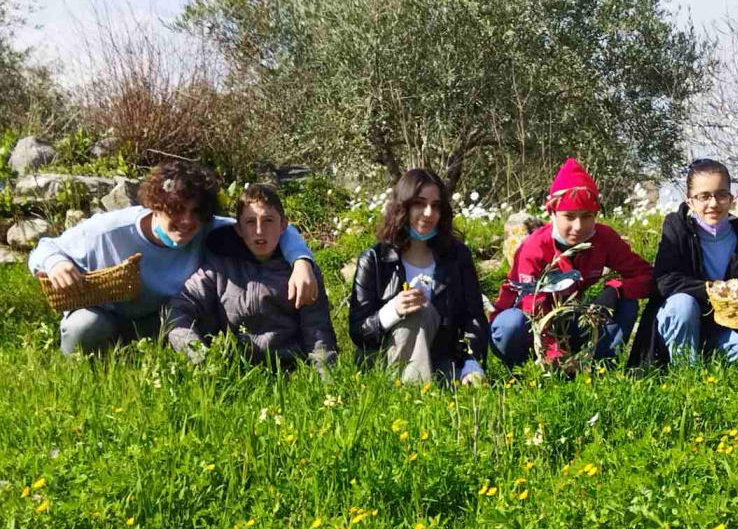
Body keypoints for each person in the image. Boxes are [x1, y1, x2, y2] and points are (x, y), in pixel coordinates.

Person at [28, 161, 319, 355]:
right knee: (85, 327)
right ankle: (80, 372)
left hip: (161, 320)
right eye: (176, 210)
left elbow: (272, 225)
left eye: (196, 212)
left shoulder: (206, 228)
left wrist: (301, 262)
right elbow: (43, 248)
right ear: (155, 206)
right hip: (106, 314)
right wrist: (57, 263)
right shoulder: (108, 230)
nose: (187, 221)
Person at [490, 158, 653, 368]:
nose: (578, 226)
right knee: (512, 324)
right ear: (552, 213)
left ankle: (601, 367)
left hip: (569, 319)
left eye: (587, 216)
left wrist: (615, 290)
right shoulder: (535, 247)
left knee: (626, 302)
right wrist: (556, 358)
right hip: (523, 326)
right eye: (569, 216)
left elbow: (647, 276)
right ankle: (526, 370)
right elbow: (532, 307)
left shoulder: (604, 238)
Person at [166, 184, 336, 369]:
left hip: (290, 371)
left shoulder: (302, 274)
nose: (259, 231)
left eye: (268, 220)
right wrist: (198, 356)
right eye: (250, 222)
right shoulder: (219, 268)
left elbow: (318, 333)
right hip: (233, 373)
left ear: (283, 225)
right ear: (238, 228)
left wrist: (326, 382)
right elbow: (179, 308)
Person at [348, 168, 487, 385]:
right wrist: (392, 311)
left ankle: (412, 394)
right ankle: (411, 395)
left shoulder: (457, 256)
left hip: (442, 358)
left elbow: (474, 318)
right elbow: (358, 332)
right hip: (384, 361)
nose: (429, 213)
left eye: (435, 205)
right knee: (414, 314)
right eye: (420, 204)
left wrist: (472, 363)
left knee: (421, 312)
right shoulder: (374, 260)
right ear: (403, 206)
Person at [629, 159, 738, 367]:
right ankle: (685, 372)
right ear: (690, 201)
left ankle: (713, 374)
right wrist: (711, 289)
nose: (713, 203)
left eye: (721, 194)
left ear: (731, 198)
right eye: (704, 196)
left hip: (723, 324)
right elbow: (665, 280)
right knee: (682, 304)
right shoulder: (677, 228)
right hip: (682, 317)